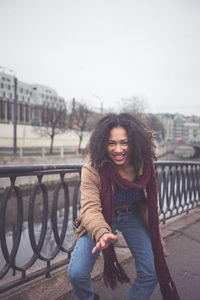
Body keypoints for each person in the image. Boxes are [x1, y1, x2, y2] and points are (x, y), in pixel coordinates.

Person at [68, 113, 180, 300]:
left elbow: (148, 203)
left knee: (151, 272)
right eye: (112, 143)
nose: (118, 149)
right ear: (103, 143)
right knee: (76, 274)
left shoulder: (143, 164)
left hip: (132, 216)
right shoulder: (92, 168)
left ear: (133, 142)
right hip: (100, 219)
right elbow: (89, 209)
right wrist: (103, 233)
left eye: (124, 142)